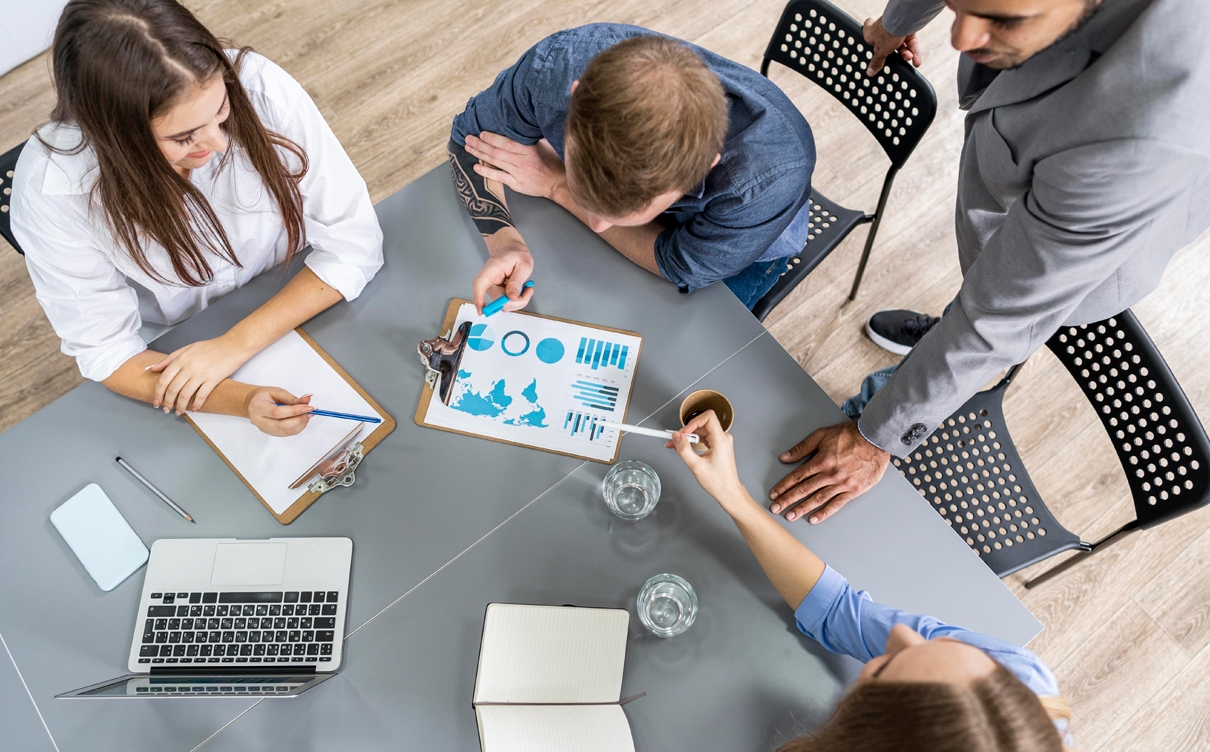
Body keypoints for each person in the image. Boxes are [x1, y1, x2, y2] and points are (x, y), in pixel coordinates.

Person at [768, 0, 1210, 524]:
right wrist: (896, 24)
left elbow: (996, 318)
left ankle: (945, 366)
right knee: (977, 291)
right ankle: (941, 341)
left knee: (988, 325)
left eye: (1003, 20)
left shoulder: (1143, 133)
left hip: (1091, 239)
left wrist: (874, 438)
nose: (960, 38)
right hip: (1030, 166)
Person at [11, 0, 383, 436]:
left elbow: (353, 243)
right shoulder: (53, 188)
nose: (218, 143)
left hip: (299, 286)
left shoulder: (258, 86)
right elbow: (107, 350)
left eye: (221, 109)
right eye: (183, 137)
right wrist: (241, 399)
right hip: (179, 342)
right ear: (115, 137)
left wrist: (234, 345)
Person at [668, 411, 1076, 752]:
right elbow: (838, 612)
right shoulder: (1023, 682)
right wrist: (731, 495)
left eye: (884, 667)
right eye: (942, 641)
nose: (900, 634)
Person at [447, 24, 816, 314]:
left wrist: (559, 186)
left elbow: (680, 265)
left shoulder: (770, 180)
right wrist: (504, 242)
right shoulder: (556, 66)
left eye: (616, 213)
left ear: (704, 168)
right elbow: (469, 139)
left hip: (743, 240)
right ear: (575, 98)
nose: (596, 225)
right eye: (585, 191)